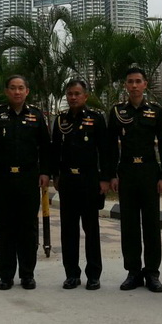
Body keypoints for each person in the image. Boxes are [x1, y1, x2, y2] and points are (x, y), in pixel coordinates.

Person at [0, 75, 50, 290]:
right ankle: (6, 275)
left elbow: (46, 146)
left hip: (28, 178)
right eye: (13, 88)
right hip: (2, 178)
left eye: (21, 88)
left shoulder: (36, 115)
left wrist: (45, 172)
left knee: (28, 228)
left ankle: (27, 274)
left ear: (27, 91)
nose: (17, 92)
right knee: (5, 227)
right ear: (6, 91)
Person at [108, 67, 162, 293]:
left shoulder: (156, 111)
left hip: (149, 172)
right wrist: (111, 174)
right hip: (127, 173)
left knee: (151, 224)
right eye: (130, 81)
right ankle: (133, 271)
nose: (134, 85)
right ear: (125, 85)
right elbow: (110, 146)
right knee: (129, 225)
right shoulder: (117, 112)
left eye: (138, 81)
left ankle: (152, 272)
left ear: (145, 84)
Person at [51, 79, 112, 291]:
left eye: (77, 93)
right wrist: (55, 175)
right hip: (68, 180)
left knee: (91, 229)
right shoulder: (60, 120)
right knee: (68, 230)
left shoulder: (96, 119)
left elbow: (105, 151)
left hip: (89, 180)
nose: (73, 97)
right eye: (70, 94)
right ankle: (71, 274)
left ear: (85, 96)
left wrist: (105, 179)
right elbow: (55, 149)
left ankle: (93, 275)